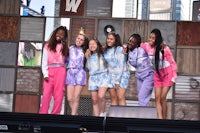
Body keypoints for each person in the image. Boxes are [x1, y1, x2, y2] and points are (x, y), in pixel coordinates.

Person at [140, 29, 177, 119]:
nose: (151, 40)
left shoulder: (164, 48)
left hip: (167, 74)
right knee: (157, 98)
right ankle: (160, 120)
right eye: (150, 37)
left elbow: (172, 63)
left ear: (157, 39)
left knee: (162, 97)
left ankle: (165, 119)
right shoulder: (147, 46)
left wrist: (173, 78)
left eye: (153, 38)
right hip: (157, 75)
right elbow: (137, 43)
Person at [40, 26, 69, 115]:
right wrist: (45, 74)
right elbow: (44, 61)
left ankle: (55, 114)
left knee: (59, 94)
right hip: (49, 71)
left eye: (62, 34)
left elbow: (68, 61)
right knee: (46, 95)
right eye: (58, 33)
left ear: (64, 36)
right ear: (55, 33)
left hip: (60, 71)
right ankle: (43, 114)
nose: (59, 35)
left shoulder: (64, 47)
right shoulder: (47, 46)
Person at [85, 38, 110, 117]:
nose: (91, 45)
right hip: (93, 78)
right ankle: (96, 117)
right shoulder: (89, 55)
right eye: (90, 44)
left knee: (101, 96)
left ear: (97, 44)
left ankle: (102, 114)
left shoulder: (103, 53)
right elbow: (88, 68)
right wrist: (87, 58)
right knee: (94, 100)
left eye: (93, 44)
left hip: (103, 76)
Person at [103, 32, 130, 106]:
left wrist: (117, 81)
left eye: (111, 39)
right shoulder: (105, 50)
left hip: (122, 76)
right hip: (110, 76)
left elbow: (120, 65)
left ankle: (122, 117)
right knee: (113, 97)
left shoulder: (120, 49)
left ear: (115, 40)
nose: (109, 40)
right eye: (108, 38)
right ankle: (114, 117)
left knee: (120, 97)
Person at [127, 34, 154, 106]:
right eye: (129, 41)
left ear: (137, 45)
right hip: (139, 76)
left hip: (149, 75)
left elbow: (152, 48)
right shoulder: (128, 51)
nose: (130, 43)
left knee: (142, 97)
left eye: (133, 42)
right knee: (142, 98)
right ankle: (145, 115)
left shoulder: (143, 50)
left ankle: (142, 116)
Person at [66, 34, 89, 115]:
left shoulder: (85, 51)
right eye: (78, 38)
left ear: (83, 42)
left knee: (76, 97)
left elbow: (87, 65)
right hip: (70, 73)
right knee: (69, 98)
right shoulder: (70, 49)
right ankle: (76, 115)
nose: (79, 40)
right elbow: (65, 60)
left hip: (80, 73)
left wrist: (87, 57)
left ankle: (73, 116)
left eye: (81, 40)